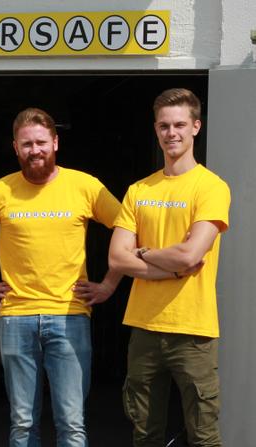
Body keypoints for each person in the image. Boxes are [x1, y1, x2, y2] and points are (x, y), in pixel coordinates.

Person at [0, 107, 122, 447]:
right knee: (22, 423)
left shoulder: (85, 186)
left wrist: (108, 284)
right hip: (16, 317)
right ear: (15, 147)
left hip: (70, 315)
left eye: (41, 142)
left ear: (56, 143)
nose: (35, 150)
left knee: (72, 423)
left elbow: (128, 229)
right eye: (27, 144)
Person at [108, 88, 230, 446]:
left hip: (192, 329)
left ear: (196, 126)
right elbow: (117, 258)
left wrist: (143, 253)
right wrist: (168, 262)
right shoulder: (138, 190)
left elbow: (192, 255)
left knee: (203, 434)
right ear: (156, 129)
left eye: (179, 124)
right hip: (143, 327)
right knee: (145, 432)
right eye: (163, 125)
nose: (170, 133)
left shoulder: (211, 187)